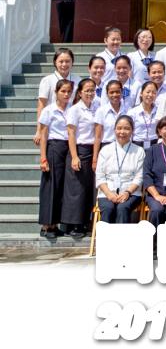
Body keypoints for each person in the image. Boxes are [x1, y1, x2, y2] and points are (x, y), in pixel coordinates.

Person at [62, 77, 100, 239]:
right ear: (79, 92)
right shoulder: (75, 109)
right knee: (76, 189)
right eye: (87, 90)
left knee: (89, 188)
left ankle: (86, 221)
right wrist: (74, 156)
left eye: (93, 90)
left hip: (93, 149)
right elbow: (71, 133)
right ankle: (73, 224)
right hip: (79, 149)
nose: (90, 93)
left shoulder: (97, 107)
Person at [37, 78, 74, 243]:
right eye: (63, 91)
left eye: (69, 91)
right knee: (51, 186)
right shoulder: (49, 110)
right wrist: (43, 157)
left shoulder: (72, 109)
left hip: (68, 147)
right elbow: (44, 134)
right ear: (56, 92)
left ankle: (56, 223)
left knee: (62, 187)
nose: (66, 94)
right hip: (53, 147)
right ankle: (47, 225)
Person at [95, 116, 145, 224]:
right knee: (108, 208)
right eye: (119, 128)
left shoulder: (139, 151)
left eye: (126, 128)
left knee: (122, 208)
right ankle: (105, 236)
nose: (122, 132)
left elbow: (139, 176)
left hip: (131, 193)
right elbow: (99, 176)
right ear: (114, 130)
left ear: (132, 131)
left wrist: (127, 192)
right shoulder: (105, 150)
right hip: (107, 192)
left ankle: (122, 236)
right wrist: (109, 193)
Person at [35, 49, 75, 139]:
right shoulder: (47, 80)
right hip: (52, 128)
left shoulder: (78, 80)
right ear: (55, 62)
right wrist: (39, 130)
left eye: (67, 61)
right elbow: (41, 105)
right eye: (61, 61)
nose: (64, 64)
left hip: (72, 126)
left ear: (72, 62)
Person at [93, 79, 125, 154]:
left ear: (122, 92)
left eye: (117, 92)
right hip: (106, 148)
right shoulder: (101, 111)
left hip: (124, 147)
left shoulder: (128, 111)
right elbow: (97, 137)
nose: (115, 95)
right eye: (111, 92)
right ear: (107, 94)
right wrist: (95, 157)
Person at [130, 81, 160, 148]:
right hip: (136, 146)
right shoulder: (133, 112)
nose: (150, 95)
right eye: (148, 92)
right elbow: (129, 133)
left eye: (153, 93)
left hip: (155, 145)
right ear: (141, 93)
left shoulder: (160, 111)